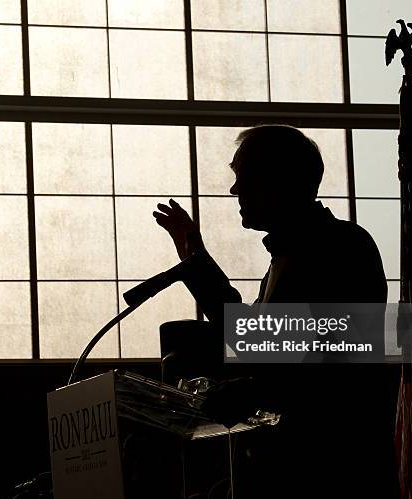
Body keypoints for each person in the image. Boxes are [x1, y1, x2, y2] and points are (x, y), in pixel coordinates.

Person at [152, 125, 397, 498]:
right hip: (287, 464)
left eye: (243, 177)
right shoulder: (288, 257)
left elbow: (340, 366)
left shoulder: (343, 247)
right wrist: (193, 258)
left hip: (330, 470)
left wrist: (254, 389)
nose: (234, 190)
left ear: (279, 180)